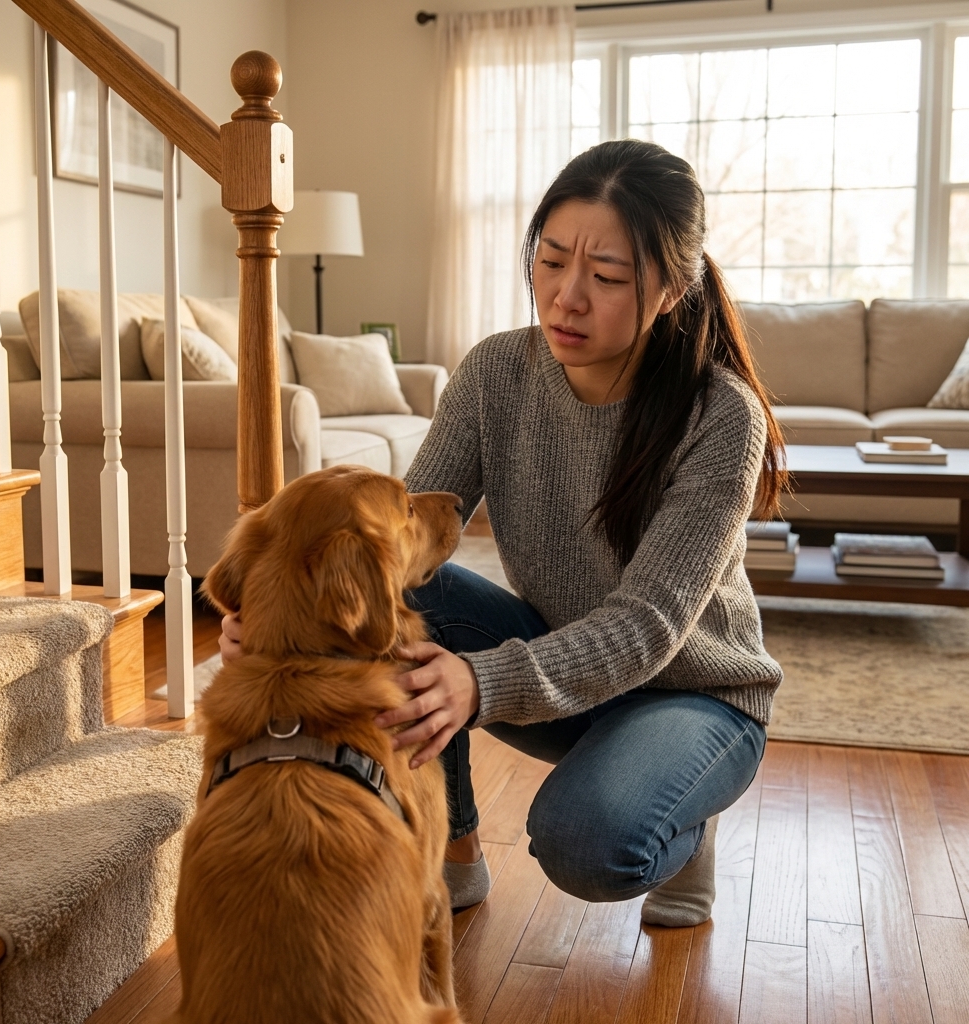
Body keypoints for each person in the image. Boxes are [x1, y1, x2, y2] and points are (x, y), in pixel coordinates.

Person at [221, 139, 785, 926]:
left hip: (692, 694)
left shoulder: (721, 416)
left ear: (672, 289)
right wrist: (278, 626)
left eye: (608, 277)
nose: (566, 298)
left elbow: (648, 625)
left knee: (587, 841)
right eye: (551, 263)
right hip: (567, 673)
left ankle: (681, 820)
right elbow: (398, 533)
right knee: (422, 593)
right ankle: (453, 847)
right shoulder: (495, 373)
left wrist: (482, 681)